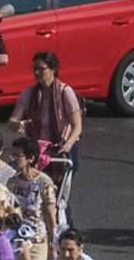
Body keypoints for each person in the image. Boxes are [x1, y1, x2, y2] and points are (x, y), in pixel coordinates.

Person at [15, 54, 83, 207]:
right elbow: (13, 120)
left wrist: (68, 144)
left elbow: (77, 126)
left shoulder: (65, 92)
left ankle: (64, 221)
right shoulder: (29, 93)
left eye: (41, 69)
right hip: (38, 151)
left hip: (60, 152)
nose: (37, 72)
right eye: (34, 68)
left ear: (53, 69)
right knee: (37, 197)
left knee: (58, 199)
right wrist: (19, 124)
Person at [5, 133, 58, 260]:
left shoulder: (44, 182)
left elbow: (50, 215)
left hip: (36, 242)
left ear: (30, 158)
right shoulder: (11, 182)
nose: (13, 158)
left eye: (18, 155)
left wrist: (53, 244)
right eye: (12, 154)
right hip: (15, 242)